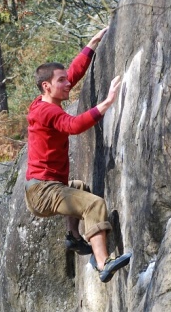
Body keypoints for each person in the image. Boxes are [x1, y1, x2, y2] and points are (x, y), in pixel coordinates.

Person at [25, 27, 132, 283]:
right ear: (46, 86)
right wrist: (105, 105)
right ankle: (104, 263)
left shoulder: (43, 102)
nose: (68, 83)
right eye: (61, 81)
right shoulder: (48, 113)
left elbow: (74, 73)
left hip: (44, 188)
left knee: (80, 188)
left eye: (65, 79)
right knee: (94, 204)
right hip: (43, 191)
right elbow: (73, 126)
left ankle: (73, 236)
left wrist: (92, 44)